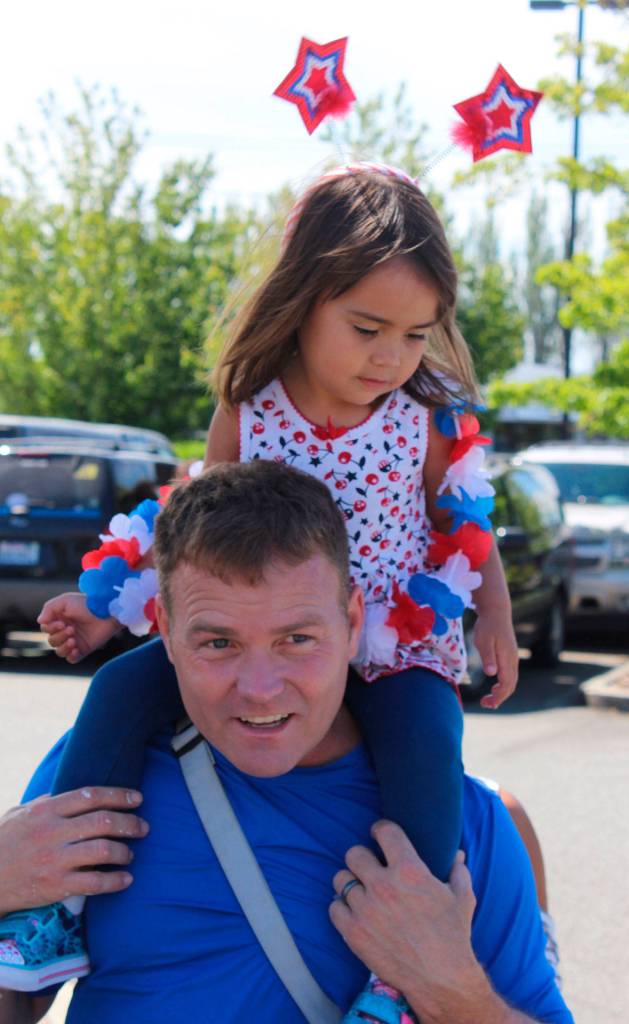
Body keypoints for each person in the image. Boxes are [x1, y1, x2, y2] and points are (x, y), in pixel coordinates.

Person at [9, 164, 518, 1021]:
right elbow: (196, 533)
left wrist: (493, 619)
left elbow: (465, 526)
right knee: (119, 691)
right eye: (366, 328)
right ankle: (49, 912)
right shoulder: (250, 410)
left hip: (391, 640)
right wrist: (105, 607)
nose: (389, 356)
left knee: (429, 745)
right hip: (259, 632)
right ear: (304, 299)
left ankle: (398, 978)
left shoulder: (423, 416)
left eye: (414, 334)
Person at [0, 462, 571, 1024]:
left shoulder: (461, 830)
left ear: (352, 623)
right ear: (166, 633)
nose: (259, 689)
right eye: (219, 643)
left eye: (297, 639)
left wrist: (449, 988)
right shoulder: (97, 778)